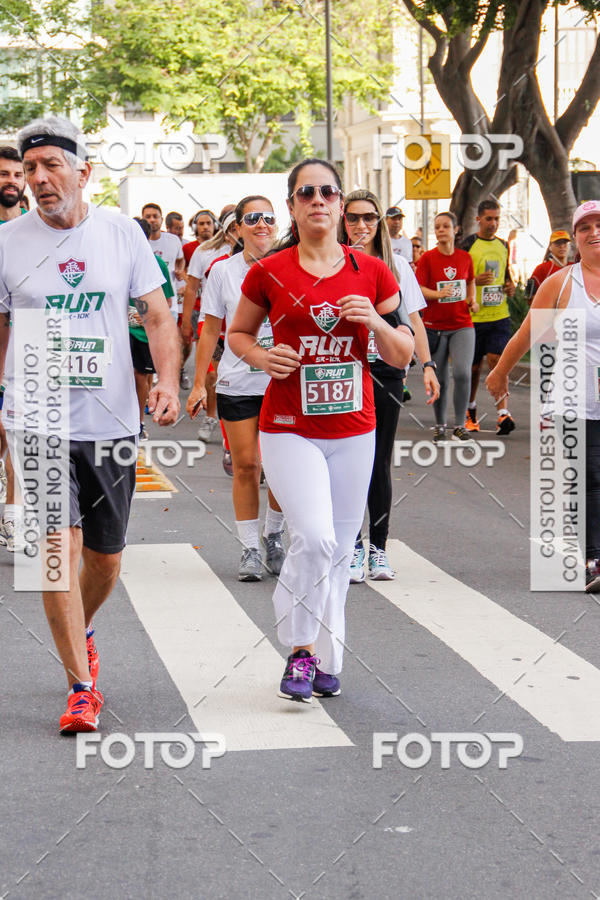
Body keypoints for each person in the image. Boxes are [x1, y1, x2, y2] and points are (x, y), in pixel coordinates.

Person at [0, 116, 180, 733]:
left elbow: (157, 315)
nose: (40, 179)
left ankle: (86, 625)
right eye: (30, 170)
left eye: (52, 166)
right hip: (36, 420)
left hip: (111, 423)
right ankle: (80, 686)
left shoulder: (122, 232)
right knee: (56, 552)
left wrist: (166, 380)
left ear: (84, 172)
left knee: (104, 559)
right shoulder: (7, 243)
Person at [228, 159, 414, 702]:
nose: (317, 199)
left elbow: (402, 353)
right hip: (289, 427)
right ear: (292, 205)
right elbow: (237, 334)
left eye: (327, 191)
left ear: (339, 205)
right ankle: (300, 651)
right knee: (314, 536)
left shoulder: (373, 272)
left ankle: (327, 658)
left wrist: (375, 322)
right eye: (305, 192)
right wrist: (263, 357)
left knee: (335, 551)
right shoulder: (270, 271)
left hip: (354, 428)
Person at [486, 200, 600, 593]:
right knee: (592, 476)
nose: (594, 233)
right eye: (585, 227)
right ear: (576, 237)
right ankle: (595, 560)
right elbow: (527, 334)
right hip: (575, 398)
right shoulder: (562, 283)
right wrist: (500, 373)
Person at [340, 189, 439, 582]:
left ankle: (378, 549)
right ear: (342, 221)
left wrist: (427, 365)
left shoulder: (397, 266)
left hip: (385, 372)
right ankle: (353, 545)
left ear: (379, 222)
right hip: (343, 373)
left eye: (369, 218)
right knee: (349, 461)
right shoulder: (332, 263)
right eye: (353, 218)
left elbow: (413, 321)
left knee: (379, 461)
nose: (361, 226)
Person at [186, 196, 286, 581]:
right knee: (248, 466)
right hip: (237, 381)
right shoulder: (223, 272)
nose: (262, 224)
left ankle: (274, 535)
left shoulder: (290, 267)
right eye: (253, 218)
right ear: (237, 228)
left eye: (269, 218)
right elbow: (210, 328)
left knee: (279, 468)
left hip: (283, 381)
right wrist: (198, 384)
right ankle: (249, 548)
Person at [416, 211, 478, 443]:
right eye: (437, 227)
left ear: (455, 230)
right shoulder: (428, 259)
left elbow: (470, 280)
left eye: (445, 226)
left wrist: (473, 300)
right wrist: (438, 293)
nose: (441, 230)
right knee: (439, 376)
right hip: (434, 327)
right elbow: (419, 288)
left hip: (462, 324)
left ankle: (460, 426)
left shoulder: (464, 258)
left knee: (462, 372)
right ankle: (440, 426)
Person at [183, 206, 238, 447]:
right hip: (212, 321)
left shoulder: (262, 255)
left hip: (243, 327)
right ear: (225, 232)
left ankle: (240, 432)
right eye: (233, 228)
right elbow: (192, 288)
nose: (238, 232)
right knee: (217, 375)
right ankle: (212, 418)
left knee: (239, 380)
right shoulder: (206, 254)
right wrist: (186, 321)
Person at [461, 199, 516, 435]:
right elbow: (457, 280)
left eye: (497, 219)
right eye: (489, 219)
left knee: (497, 361)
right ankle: (470, 409)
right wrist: (473, 281)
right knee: (473, 369)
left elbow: (505, 275)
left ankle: (503, 414)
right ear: (478, 219)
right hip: (473, 317)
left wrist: (510, 286)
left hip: (498, 315)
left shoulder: (504, 245)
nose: (493, 223)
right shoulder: (467, 245)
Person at [0, 146, 27, 540]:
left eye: (16, 174)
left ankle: (13, 516)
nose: (11, 180)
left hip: (26, 352)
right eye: (3, 173)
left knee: (19, 437)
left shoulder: (35, 229)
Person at [129, 217, 175, 440]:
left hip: (143, 333)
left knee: (142, 377)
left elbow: (166, 303)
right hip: (120, 333)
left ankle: (138, 423)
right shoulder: (114, 259)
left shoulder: (157, 264)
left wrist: (143, 313)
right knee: (129, 376)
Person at [526, 230, 571, 300]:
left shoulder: (576, 267)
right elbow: (530, 297)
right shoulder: (542, 269)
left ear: (569, 246)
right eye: (558, 243)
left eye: (565, 243)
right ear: (550, 247)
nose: (562, 246)